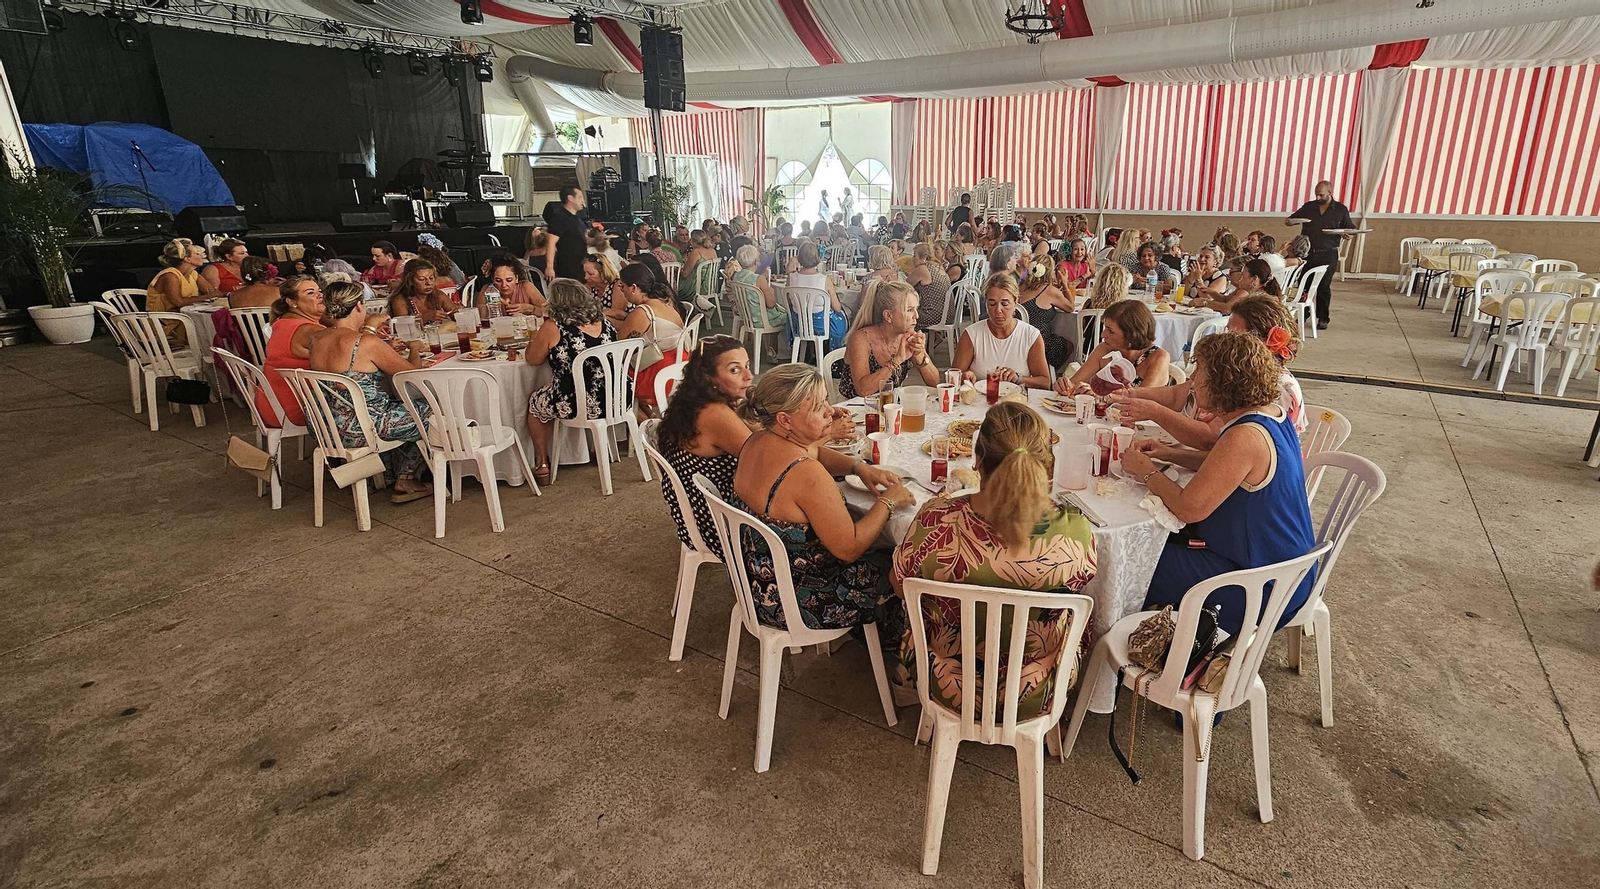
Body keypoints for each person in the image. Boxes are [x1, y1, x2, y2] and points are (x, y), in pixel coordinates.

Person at [890, 401, 1097, 715]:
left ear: (977, 461)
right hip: (1035, 692)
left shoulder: (934, 520)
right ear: (1047, 465)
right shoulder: (1075, 531)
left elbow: (899, 584)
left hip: (944, 684)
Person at [1125, 333, 1317, 636]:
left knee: (1132, 561)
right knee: (1153, 545)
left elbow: (1189, 509)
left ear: (1222, 381)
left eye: (1198, 369)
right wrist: (1170, 454)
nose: (1192, 377)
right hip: (1285, 570)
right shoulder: (1270, 414)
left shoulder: (1245, 436)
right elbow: (1226, 468)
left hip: (1258, 585)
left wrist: (1146, 471)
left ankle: (1112, 649)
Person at [732, 364, 913, 644]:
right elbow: (849, 548)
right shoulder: (805, 473)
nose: (831, 410)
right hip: (803, 602)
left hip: (758, 583)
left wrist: (857, 467)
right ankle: (897, 639)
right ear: (785, 420)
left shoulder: (756, 440)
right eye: (819, 407)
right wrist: (889, 501)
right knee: (901, 558)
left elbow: (814, 450)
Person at [1111, 294, 1306, 448]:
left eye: (1233, 333)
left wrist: (1154, 412)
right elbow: (1179, 394)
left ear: (1261, 341)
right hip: (1197, 458)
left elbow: (1213, 439)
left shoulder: (1275, 389)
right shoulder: (1236, 369)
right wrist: (1128, 394)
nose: (1225, 338)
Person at [307, 281, 432, 504]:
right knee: (431, 407)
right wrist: (414, 349)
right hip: (362, 427)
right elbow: (412, 375)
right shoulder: (365, 342)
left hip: (325, 426)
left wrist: (383, 348)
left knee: (393, 403)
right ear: (358, 306)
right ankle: (407, 477)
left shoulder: (317, 339)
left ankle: (385, 474)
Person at [525, 279, 617, 483]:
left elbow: (532, 359)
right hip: (615, 398)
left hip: (577, 404)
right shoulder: (603, 321)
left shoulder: (554, 326)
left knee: (534, 403)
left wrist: (532, 341)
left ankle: (541, 463)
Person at [839, 280, 941, 399]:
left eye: (916, 309)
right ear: (888, 316)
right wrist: (896, 360)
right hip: (854, 409)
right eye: (909, 310)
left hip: (889, 405)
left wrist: (919, 354)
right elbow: (863, 391)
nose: (916, 316)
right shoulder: (861, 338)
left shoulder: (907, 336)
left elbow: (935, 383)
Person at [954, 273, 1051, 389]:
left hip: (1016, 402)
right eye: (992, 304)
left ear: (1016, 302)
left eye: (1005, 304)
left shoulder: (1030, 336)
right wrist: (964, 376)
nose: (998, 310)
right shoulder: (972, 335)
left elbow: (1045, 382)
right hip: (979, 402)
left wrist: (1018, 378)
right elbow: (954, 376)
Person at [615, 263, 688, 415]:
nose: (621, 291)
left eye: (622, 287)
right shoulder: (664, 302)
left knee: (612, 378)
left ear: (633, 288)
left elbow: (619, 346)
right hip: (680, 363)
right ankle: (649, 417)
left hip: (660, 372)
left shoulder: (642, 312)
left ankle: (643, 425)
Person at [1057, 297, 1169, 395]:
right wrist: (1064, 385)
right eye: (1105, 328)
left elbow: (1143, 400)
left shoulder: (1158, 357)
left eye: (1110, 331)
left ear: (1131, 334)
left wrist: (1100, 396)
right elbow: (1074, 383)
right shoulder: (1105, 349)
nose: (1103, 335)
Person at [255, 276, 325, 428]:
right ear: (292, 302)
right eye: (310, 293)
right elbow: (350, 354)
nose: (320, 296)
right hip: (295, 410)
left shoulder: (283, 321)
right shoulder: (308, 330)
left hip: (272, 405)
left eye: (319, 291)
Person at [1288, 180, 1352, 330]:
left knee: (1323, 286)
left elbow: (1349, 227)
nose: (1318, 198)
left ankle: (1323, 317)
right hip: (1308, 253)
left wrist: (1346, 233)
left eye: (1321, 195)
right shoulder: (1309, 207)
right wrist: (1293, 222)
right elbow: (1289, 220)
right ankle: (1304, 313)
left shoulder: (1340, 209)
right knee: (1304, 285)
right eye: (1316, 194)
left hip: (1328, 253)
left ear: (1330, 192)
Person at [146, 238, 219, 348]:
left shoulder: (192, 274)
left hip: (183, 321)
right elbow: (178, 302)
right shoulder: (170, 275)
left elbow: (213, 292)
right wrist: (208, 296)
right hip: (167, 327)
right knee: (213, 329)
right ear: (187, 258)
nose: (201, 256)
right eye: (197, 253)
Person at [786, 241, 848, 350]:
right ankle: (832, 353)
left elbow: (789, 302)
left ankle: (808, 352)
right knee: (841, 318)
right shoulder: (824, 280)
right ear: (817, 258)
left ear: (799, 258)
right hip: (821, 326)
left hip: (799, 324)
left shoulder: (791, 278)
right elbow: (837, 308)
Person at [1018, 258, 1076, 369]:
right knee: (1069, 345)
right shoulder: (1048, 290)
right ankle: (1049, 373)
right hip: (1039, 342)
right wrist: (1064, 283)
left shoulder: (1021, 286)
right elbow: (1070, 307)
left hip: (1018, 340)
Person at [730, 243, 787, 334]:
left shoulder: (736, 276)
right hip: (763, 320)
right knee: (789, 317)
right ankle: (779, 346)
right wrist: (771, 292)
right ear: (756, 261)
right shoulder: (758, 279)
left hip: (747, 317)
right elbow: (771, 304)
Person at [1195, 257, 1282, 313]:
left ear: (1254, 279)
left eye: (1243, 276)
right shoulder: (1254, 291)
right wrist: (1211, 292)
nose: (1240, 279)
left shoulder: (1255, 299)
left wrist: (1204, 302)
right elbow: (1226, 299)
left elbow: (1228, 309)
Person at [542, 184, 590, 283]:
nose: (583, 201)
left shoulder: (577, 219)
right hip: (568, 267)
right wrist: (549, 267)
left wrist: (598, 239)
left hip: (580, 265)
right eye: (580, 197)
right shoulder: (560, 218)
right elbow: (550, 242)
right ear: (570, 198)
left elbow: (581, 239)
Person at [386, 259, 458, 323]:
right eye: (421, 279)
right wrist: (425, 318)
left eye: (431, 278)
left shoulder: (438, 295)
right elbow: (402, 326)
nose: (428, 283)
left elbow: (456, 316)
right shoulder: (401, 300)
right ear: (410, 281)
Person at [477, 256, 547, 317]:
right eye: (498, 280)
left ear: (516, 278)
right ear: (493, 279)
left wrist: (531, 309)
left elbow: (549, 312)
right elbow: (480, 317)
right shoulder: (488, 290)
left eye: (509, 280)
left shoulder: (526, 287)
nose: (504, 285)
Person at [906, 242, 951, 331]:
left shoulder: (922, 269)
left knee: (905, 314)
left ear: (924, 258)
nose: (912, 258)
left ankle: (907, 342)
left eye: (915, 255)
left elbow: (904, 286)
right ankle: (934, 338)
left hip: (933, 316)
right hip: (948, 315)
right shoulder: (938, 266)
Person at [676, 230, 719, 302]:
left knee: (672, 287)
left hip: (696, 287)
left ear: (692, 240)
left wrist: (677, 268)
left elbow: (685, 274)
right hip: (712, 285)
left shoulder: (696, 252)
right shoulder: (712, 250)